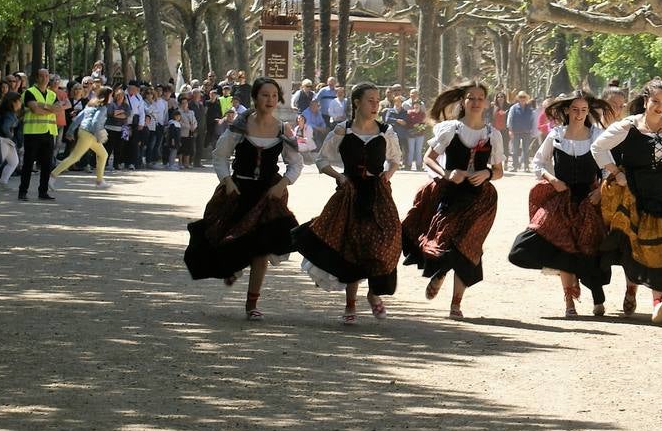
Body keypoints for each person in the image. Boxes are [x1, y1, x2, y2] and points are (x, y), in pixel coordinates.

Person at [185, 77, 304, 320]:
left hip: (268, 196)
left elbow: (296, 163)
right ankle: (232, 267)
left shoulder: (283, 129)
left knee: (262, 250)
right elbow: (220, 156)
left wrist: (282, 183)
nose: (270, 100)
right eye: (264, 95)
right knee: (231, 240)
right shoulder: (240, 126)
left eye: (273, 96)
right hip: (239, 191)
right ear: (255, 98)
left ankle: (252, 304)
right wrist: (227, 181)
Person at [591, 78, 662, 322]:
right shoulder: (628, 126)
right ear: (645, 100)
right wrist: (616, 173)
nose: (660, 106)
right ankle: (631, 288)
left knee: (661, 245)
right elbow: (598, 148)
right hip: (633, 190)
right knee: (636, 244)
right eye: (655, 101)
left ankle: (657, 302)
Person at [293, 82, 403, 323]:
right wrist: (340, 176)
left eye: (377, 100)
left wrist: (387, 175)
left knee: (386, 243)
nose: (375, 105)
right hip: (350, 192)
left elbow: (395, 160)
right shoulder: (342, 131)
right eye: (370, 100)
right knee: (352, 245)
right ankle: (350, 305)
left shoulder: (386, 131)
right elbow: (321, 160)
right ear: (357, 102)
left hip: (378, 194)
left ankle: (374, 295)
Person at [401, 81, 504, 319]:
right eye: (471, 98)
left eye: (480, 98)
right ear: (463, 102)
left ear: (486, 103)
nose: (476, 102)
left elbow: (498, 170)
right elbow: (428, 158)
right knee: (445, 241)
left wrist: (487, 173)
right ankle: (440, 271)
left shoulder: (492, 134)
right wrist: (447, 173)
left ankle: (456, 303)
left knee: (469, 246)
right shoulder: (450, 129)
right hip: (452, 194)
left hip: (480, 199)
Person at [507, 91, 615, 316]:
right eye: (575, 110)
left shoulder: (597, 135)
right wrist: (553, 179)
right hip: (562, 199)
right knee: (541, 247)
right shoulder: (556, 135)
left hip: (589, 200)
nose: (579, 114)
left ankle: (597, 297)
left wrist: (601, 193)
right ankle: (569, 302)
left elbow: (608, 169)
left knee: (589, 250)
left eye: (584, 110)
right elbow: (538, 162)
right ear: (567, 110)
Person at [50, 88, 111, 188]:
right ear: (107, 97)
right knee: (74, 157)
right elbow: (95, 122)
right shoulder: (103, 107)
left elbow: (78, 118)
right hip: (89, 134)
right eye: (111, 95)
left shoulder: (90, 105)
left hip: (84, 131)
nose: (112, 98)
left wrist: (70, 131)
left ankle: (100, 181)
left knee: (103, 154)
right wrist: (98, 135)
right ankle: (52, 176)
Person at [18, 68, 60, 201]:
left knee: (47, 164)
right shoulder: (29, 92)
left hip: (48, 132)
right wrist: (49, 109)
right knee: (28, 163)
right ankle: (23, 192)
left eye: (47, 76)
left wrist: (44, 108)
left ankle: (43, 192)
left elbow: (59, 109)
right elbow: (35, 109)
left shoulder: (52, 94)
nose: (45, 78)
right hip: (33, 132)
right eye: (41, 76)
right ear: (36, 78)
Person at [506, 91, 538, 171]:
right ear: (518, 98)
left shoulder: (530, 109)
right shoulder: (513, 108)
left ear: (526, 98)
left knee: (526, 150)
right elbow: (510, 119)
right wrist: (510, 130)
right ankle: (515, 166)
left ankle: (526, 167)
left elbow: (533, 120)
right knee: (515, 150)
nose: (522, 99)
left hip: (527, 132)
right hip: (515, 132)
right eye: (520, 97)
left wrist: (533, 132)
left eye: (524, 97)